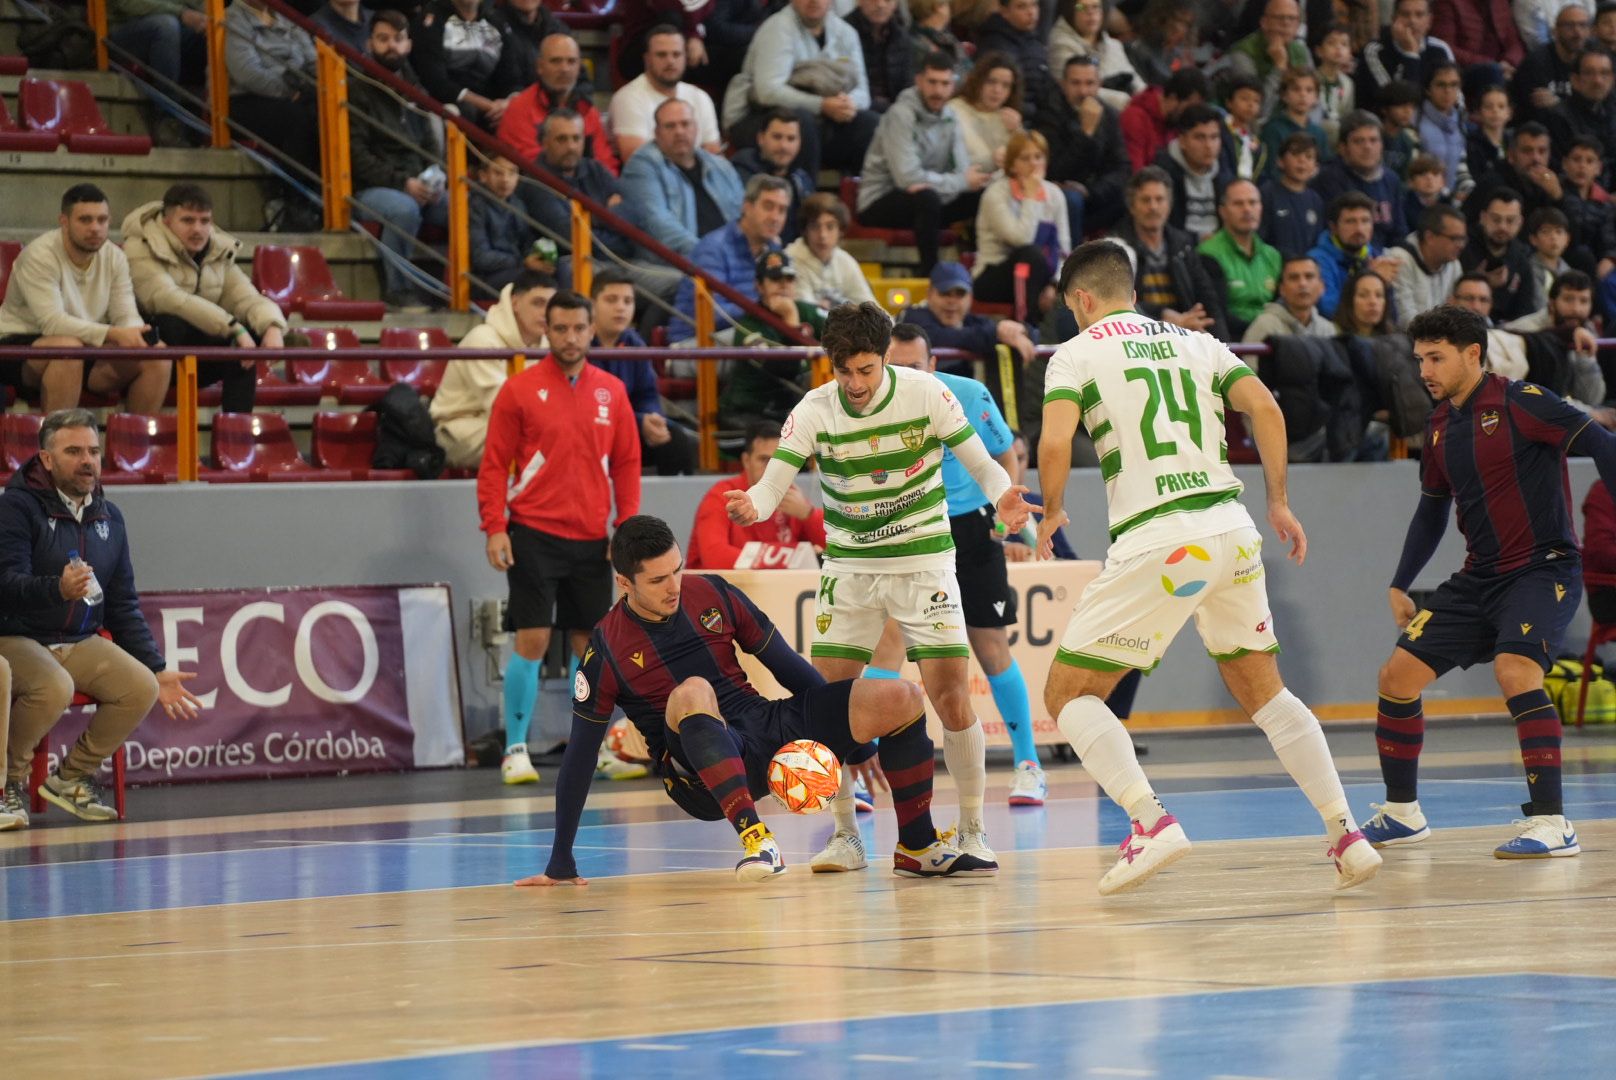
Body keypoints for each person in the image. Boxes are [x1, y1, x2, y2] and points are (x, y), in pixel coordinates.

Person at [1034, 239, 1381, 895]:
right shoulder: (1197, 342)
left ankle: (1149, 820)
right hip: (1231, 530)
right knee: (1265, 693)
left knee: (1067, 696)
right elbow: (1268, 409)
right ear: (1132, 292)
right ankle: (1346, 833)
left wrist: (1051, 513)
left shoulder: (1077, 354)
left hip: (1159, 538)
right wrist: (1278, 500)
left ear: (1082, 301)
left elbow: (1055, 440)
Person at [726, 301, 1035, 872]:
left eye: (866, 370)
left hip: (924, 567)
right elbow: (772, 486)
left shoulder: (926, 395)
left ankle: (972, 829)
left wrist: (1004, 496)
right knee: (827, 702)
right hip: (850, 572)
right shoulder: (814, 409)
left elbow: (984, 465)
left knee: (952, 698)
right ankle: (845, 835)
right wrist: (754, 504)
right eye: (844, 372)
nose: (856, 383)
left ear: (886, 357)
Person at [518, 514, 992, 886]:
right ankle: (756, 839)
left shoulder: (714, 592)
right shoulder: (605, 648)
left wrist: (857, 739)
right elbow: (580, 757)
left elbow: (790, 670)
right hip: (696, 774)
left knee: (902, 696)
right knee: (693, 690)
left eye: (677, 570)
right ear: (625, 582)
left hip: (762, 724)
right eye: (658, 580)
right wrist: (561, 861)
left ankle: (916, 845)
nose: (674, 586)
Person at [1362, 303, 1616, 859]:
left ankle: (1553, 824)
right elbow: (1431, 510)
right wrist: (1401, 581)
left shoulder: (1522, 403)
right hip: (1479, 577)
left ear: (1472, 354)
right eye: (1419, 358)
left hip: (1543, 568)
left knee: (1515, 670)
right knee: (1397, 675)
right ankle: (1403, 813)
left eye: (1436, 358)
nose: (1424, 370)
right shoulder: (1436, 426)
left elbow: (1600, 442)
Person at [0, 409, 202, 825]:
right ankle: (9, 785)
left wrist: (158, 667)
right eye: (73, 451)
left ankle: (71, 778)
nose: (87, 460)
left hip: (76, 638)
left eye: (93, 450)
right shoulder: (17, 507)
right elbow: (6, 582)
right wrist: (56, 588)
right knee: (53, 686)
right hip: (15, 635)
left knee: (140, 686)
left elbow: (123, 602)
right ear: (47, 459)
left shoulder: (109, 517)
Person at [478, 290, 640, 786]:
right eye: (561, 328)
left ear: (592, 331)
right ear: (546, 331)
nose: (570, 338)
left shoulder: (612, 390)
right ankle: (516, 750)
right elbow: (492, 465)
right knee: (531, 638)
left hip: (594, 538)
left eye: (578, 328)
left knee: (589, 646)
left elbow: (629, 464)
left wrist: (625, 526)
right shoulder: (519, 390)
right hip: (533, 533)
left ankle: (588, 749)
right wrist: (495, 526)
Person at [882, 322, 1048, 805]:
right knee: (887, 646)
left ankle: (1028, 764)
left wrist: (1005, 507)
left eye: (914, 367)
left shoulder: (970, 394)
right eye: (895, 369)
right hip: (911, 528)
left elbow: (1005, 453)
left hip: (973, 528)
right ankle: (859, 770)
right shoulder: (875, 406)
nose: (906, 376)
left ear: (933, 365)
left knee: (990, 645)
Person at [0, 185, 169, 416]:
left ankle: (133, 448)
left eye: (102, 220)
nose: (95, 228)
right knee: (67, 348)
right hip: (19, 346)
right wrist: (115, 334)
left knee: (157, 355)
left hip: (86, 343)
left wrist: (135, 335)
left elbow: (125, 315)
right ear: (64, 221)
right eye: (85, 220)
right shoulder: (39, 255)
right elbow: (53, 323)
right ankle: (58, 449)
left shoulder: (115, 256)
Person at [122, 182, 286, 416]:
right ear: (167, 221)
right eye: (188, 220)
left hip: (201, 348)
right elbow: (167, 298)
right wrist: (234, 328)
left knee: (242, 350)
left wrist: (273, 326)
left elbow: (246, 297)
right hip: (153, 354)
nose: (198, 229)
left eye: (205, 221)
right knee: (173, 323)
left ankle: (237, 438)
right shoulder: (139, 246)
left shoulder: (216, 252)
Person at [856, 53, 991, 276]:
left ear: (953, 85)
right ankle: (931, 277)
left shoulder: (951, 116)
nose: (938, 91)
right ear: (919, 81)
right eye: (932, 82)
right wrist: (958, 182)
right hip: (880, 199)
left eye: (945, 83)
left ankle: (979, 271)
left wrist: (959, 182)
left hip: (928, 196)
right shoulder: (900, 114)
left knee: (980, 196)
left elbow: (962, 170)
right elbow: (907, 178)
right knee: (927, 200)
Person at [351, 10, 449, 309]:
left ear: (408, 44)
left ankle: (455, 288)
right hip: (370, 188)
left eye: (398, 39)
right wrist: (402, 183)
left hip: (416, 183)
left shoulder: (415, 89)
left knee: (460, 206)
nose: (391, 46)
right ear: (369, 44)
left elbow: (430, 143)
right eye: (383, 39)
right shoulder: (356, 90)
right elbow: (357, 156)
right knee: (403, 209)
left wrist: (435, 176)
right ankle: (398, 290)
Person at [721, 0, 880, 178]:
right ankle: (803, 198)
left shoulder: (846, 33)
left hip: (823, 117)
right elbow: (768, 92)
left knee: (871, 123)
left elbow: (863, 93)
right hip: (755, 115)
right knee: (799, 123)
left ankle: (859, 197)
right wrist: (822, 105)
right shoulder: (777, 28)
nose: (814, 1)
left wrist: (847, 105)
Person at [433, 269, 556, 469]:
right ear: (515, 303)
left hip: (506, 425)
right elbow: (501, 405)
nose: (545, 313)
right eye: (537, 303)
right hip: (458, 430)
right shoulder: (483, 339)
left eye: (550, 306)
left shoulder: (546, 345)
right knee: (537, 438)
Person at [589, 270, 697, 476]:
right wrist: (639, 421)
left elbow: (646, 393)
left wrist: (652, 417)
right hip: (592, 429)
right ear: (592, 304)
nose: (621, 307)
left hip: (628, 426)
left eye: (628, 301)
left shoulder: (635, 343)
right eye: (611, 300)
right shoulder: (581, 343)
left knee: (675, 439)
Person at [1109, 166, 1231, 338]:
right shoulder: (1115, 248)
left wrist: (1224, 348)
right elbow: (1117, 303)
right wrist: (1165, 318)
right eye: (1146, 200)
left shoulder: (1183, 246)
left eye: (1160, 199)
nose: (1153, 207)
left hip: (1183, 337)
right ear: (1132, 206)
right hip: (1135, 340)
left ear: (1169, 204)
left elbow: (1209, 301)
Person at [619, 98, 746, 261]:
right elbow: (658, 225)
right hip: (678, 264)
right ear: (656, 133)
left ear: (696, 129)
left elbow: (745, 216)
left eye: (685, 124)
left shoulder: (721, 166)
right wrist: (711, 254)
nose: (679, 131)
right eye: (670, 126)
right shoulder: (642, 166)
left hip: (730, 259)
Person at [689, 421, 827, 570]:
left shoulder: (792, 498)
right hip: (719, 589)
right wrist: (790, 558)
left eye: (780, 461)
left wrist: (808, 514)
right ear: (746, 461)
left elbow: (841, 549)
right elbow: (715, 558)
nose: (772, 469)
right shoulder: (722, 496)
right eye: (764, 460)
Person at [672, 174, 792, 337]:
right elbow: (712, 314)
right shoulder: (714, 248)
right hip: (695, 344)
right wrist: (764, 307)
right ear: (747, 206)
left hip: (744, 334)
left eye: (782, 210)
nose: (775, 217)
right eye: (768, 206)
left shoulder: (774, 250)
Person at [720, 250, 823, 424]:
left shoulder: (806, 310)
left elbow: (847, 328)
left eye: (789, 279)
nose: (783, 285)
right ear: (759, 286)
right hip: (747, 414)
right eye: (775, 279)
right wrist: (791, 321)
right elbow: (785, 370)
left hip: (787, 411)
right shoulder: (748, 326)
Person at [973, 131, 1071, 310]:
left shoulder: (1055, 195)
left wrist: (1054, 284)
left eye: (1038, 157)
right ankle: (1029, 325)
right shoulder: (995, 194)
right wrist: (1030, 197)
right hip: (994, 275)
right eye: (1025, 158)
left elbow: (1063, 249)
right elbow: (1022, 239)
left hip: (1040, 275)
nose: (1033, 163)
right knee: (1030, 255)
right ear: (1012, 166)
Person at [497, 32, 619, 175]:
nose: (564, 69)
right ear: (540, 66)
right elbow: (531, 167)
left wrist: (611, 191)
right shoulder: (519, 109)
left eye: (571, 61)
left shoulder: (588, 111)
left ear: (579, 67)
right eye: (556, 61)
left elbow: (606, 163)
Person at [1037, 55, 1132, 239]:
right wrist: (1086, 134)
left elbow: (1122, 167)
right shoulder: (1049, 114)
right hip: (1062, 194)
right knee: (1072, 200)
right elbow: (1055, 170)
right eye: (1076, 83)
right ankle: (1073, 262)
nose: (1083, 91)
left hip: (1094, 192)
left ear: (1099, 84)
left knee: (1134, 196)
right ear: (1063, 84)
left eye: (1089, 83)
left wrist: (1092, 191)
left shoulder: (1109, 114)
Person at [224, 0, 319, 175]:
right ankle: (295, 194)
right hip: (246, 99)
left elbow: (314, 62)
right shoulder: (232, 17)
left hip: (296, 90)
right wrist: (289, 92)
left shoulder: (286, 16)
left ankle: (330, 189)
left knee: (326, 109)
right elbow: (247, 73)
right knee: (297, 117)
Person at [608, 23, 723, 163]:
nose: (670, 61)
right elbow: (636, 161)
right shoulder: (627, 98)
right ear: (647, 59)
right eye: (661, 55)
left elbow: (714, 157)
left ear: (685, 58)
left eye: (676, 54)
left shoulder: (700, 97)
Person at [900, 261, 1035, 376]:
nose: (952, 301)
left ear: (970, 298)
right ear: (929, 295)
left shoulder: (971, 321)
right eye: (945, 294)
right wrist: (997, 333)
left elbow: (1034, 334)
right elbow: (939, 337)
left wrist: (1022, 331)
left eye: (960, 294)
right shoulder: (913, 317)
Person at [409, 0, 521, 127]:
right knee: (464, 112)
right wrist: (489, 106)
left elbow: (512, 78)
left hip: (493, 107)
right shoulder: (431, 18)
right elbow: (435, 81)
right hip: (448, 103)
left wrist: (508, 105)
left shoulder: (497, 21)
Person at [1312, 111, 1409, 248]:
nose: (1367, 147)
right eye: (1358, 141)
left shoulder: (1391, 180)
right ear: (1343, 148)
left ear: (1382, 145)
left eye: (1373, 140)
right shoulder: (1328, 180)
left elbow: (1399, 232)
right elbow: (1329, 234)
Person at [1198, 178, 1281, 338]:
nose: (1247, 209)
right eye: (1238, 203)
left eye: (1253, 202)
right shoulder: (1207, 253)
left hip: (1272, 341)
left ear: (1261, 208)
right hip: (1230, 341)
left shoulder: (1273, 255)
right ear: (1222, 211)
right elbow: (1216, 314)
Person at [1307, 191, 1401, 319]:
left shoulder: (1377, 256)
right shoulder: (1316, 260)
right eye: (1350, 222)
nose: (1359, 229)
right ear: (1333, 227)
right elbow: (1328, 310)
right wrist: (1371, 279)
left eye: (1365, 221)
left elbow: (1392, 315)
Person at [730, 110, 816, 244]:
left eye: (791, 139)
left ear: (800, 143)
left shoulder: (802, 180)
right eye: (777, 137)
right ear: (761, 139)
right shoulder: (739, 175)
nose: (784, 146)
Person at [1358, 0, 1456, 111]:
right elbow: (1396, 103)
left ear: (1429, 20)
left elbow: (1456, 100)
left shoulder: (1440, 49)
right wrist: (1411, 55)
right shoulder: (1374, 51)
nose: (1412, 21)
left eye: (1419, 15)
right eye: (1405, 14)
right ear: (1393, 19)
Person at [786, 194, 878, 310]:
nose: (822, 235)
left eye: (830, 227)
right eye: (815, 227)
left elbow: (872, 308)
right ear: (805, 231)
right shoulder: (791, 259)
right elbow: (807, 313)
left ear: (840, 230)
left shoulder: (845, 261)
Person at [1158, 104, 1235, 242]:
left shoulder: (1225, 172)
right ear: (1182, 141)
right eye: (1200, 137)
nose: (1209, 146)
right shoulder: (1163, 174)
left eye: (1214, 137)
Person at [1460, 187, 1539, 322]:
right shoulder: (1462, 249)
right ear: (1483, 218)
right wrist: (1480, 283)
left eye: (1510, 221)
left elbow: (1525, 313)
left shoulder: (1522, 258)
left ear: (1520, 222)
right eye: (1496, 219)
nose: (1502, 227)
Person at [1048, 0, 1143, 112]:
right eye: (1081, 7)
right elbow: (1078, 92)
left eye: (1095, 7)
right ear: (1070, 10)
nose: (1091, 12)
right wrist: (1129, 102)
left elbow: (1137, 82)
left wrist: (1147, 98)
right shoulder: (1060, 45)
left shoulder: (1113, 45)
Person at [1385, 204, 1468, 329]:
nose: (1461, 245)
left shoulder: (1454, 265)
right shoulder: (1399, 259)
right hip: (1405, 343)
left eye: (1463, 239)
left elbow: (1459, 314)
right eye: (1454, 238)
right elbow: (1406, 321)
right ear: (1430, 237)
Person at [467, 155, 538, 297]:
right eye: (498, 173)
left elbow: (527, 242)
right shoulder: (475, 205)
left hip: (516, 268)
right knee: (532, 280)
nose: (505, 179)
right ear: (483, 176)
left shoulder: (518, 204)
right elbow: (481, 257)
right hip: (484, 277)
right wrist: (522, 261)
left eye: (512, 172)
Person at [947, 51, 1025, 176]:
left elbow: (1030, 162)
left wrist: (1018, 132)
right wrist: (991, 161)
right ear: (977, 81)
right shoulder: (953, 110)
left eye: (1005, 86)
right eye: (991, 82)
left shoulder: (1009, 117)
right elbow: (949, 163)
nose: (997, 90)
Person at [975, 0, 1052, 124]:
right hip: (1012, 119)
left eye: (1034, 5)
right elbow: (1006, 96)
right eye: (1022, 7)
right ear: (1005, 12)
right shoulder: (996, 45)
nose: (1031, 12)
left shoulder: (1034, 41)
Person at [1546, 47, 1616, 181]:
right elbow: (1563, 172)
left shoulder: (1612, 112)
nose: (1598, 81)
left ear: (1612, 79)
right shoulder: (1559, 117)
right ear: (1575, 80)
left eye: (1604, 73)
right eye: (1589, 73)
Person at [1120, 67, 1210, 172]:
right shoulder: (1135, 119)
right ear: (1173, 98)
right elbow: (1135, 174)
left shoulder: (1176, 122)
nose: (1192, 114)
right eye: (1189, 107)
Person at [1513, 4, 1590, 121]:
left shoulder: (1595, 59)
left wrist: (1559, 104)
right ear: (1555, 31)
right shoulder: (1536, 63)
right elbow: (1540, 114)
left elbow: (1601, 108)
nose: (1578, 33)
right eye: (1569, 26)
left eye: (1583, 25)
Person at [1258, 132, 1324, 257]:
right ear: (1280, 161)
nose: (1302, 160)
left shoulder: (1316, 200)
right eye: (1295, 154)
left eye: (1309, 157)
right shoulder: (1267, 193)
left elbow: (1317, 243)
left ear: (1316, 167)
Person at [1243, 254, 1337, 341]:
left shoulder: (1328, 330)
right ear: (1282, 289)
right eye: (1294, 278)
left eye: (1309, 276)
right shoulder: (1264, 326)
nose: (1302, 284)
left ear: (1322, 286)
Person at [847, 0, 914, 114]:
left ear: (895, 4)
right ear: (859, 1)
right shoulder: (845, 32)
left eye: (887, 0)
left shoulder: (901, 37)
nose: (880, 4)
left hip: (896, 110)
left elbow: (907, 85)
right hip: (857, 109)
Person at [1259, 68, 1328, 177]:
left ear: (1316, 97)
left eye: (1309, 90)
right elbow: (1270, 170)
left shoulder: (1319, 133)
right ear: (1284, 95)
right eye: (1296, 89)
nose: (1303, 95)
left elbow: (1325, 168)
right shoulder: (1273, 129)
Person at [1418, 62, 1473, 198]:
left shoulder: (1460, 123)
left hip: (1451, 203)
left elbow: (1461, 170)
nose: (1448, 91)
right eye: (1441, 85)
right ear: (1428, 89)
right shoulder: (1415, 122)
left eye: (1454, 85)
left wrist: (1468, 192)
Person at [1333, 269, 1397, 335]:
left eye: (1379, 295)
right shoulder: (1332, 335)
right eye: (1363, 295)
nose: (1373, 302)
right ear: (1349, 300)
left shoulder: (1394, 339)